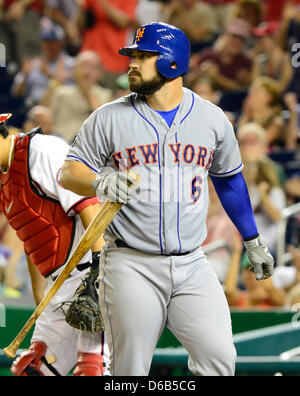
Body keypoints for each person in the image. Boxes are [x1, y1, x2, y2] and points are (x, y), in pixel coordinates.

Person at [60, 22, 274, 376]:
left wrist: (252, 240)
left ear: (171, 63)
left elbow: (230, 180)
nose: (132, 63)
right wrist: (100, 181)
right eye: (133, 55)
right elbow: (68, 173)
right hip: (131, 263)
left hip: (192, 263)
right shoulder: (109, 117)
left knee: (219, 360)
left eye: (143, 56)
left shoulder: (211, 118)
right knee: (129, 373)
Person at [0, 113, 109, 376]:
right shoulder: (3, 180)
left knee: (92, 370)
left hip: (91, 275)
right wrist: (42, 301)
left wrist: (100, 272)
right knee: (32, 370)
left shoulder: (42, 149)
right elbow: (32, 239)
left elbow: (90, 205)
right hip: (59, 284)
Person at [49, 51, 112, 143]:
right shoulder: (61, 92)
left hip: (87, 145)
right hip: (59, 140)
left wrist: (85, 88)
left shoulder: (105, 94)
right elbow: (45, 115)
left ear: (100, 73)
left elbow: (102, 120)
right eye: (84, 66)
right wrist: (55, 82)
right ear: (74, 69)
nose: (88, 71)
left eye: (93, 67)